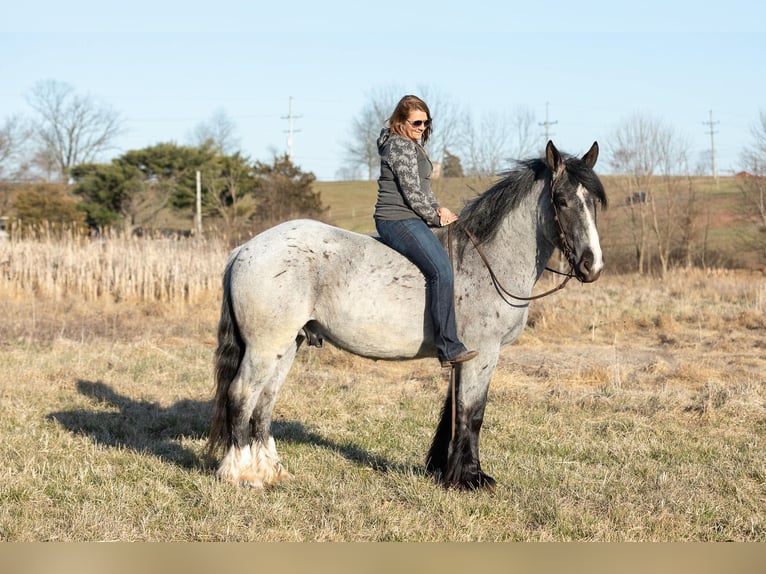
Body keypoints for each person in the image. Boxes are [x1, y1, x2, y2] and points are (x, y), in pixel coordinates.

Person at [373, 95, 478, 368]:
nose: (422, 127)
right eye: (417, 122)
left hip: (411, 217)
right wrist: (435, 217)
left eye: (426, 122)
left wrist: (440, 210)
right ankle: (448, 346)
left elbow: (423, 192)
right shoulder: (400, 146)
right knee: (441, 269)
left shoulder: (412, 146)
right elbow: (411, 193)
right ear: (400, 121)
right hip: (397, 219)